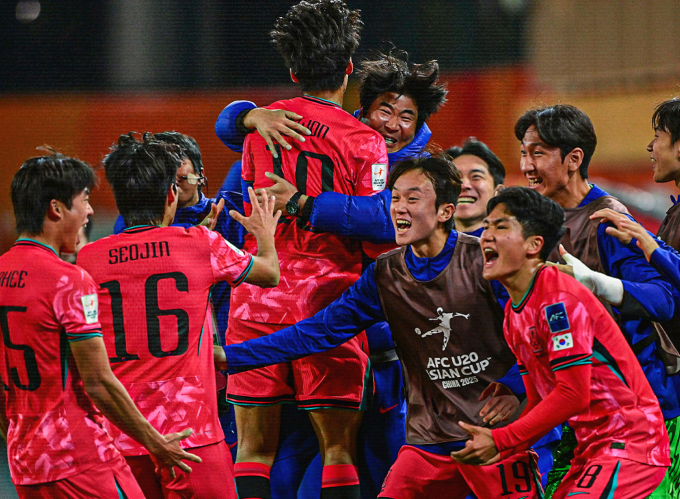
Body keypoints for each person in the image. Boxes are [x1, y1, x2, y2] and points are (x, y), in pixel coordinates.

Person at [215, 155, 542, 499]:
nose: (399, 209)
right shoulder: (384, 274)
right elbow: (319, 331)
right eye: (395, 198)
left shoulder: (485, 262)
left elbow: (535, 333)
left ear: (446, 211)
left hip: (494, 437)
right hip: (427, 444)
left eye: (412, 199)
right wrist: (231, 357)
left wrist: (513, 385)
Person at [216, 50, 448, 499]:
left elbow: (387, 224)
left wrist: (302, 202)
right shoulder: (337, 140)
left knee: (369, 460)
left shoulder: (425, 174)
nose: (395, 124)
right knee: (307, 457)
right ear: (362, 103)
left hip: (378, 342)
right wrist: (246, 117)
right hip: (333, 316)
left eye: (407, 116)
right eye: (386, 110)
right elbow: (232, 174)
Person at [224, 2, 390, 499]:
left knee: (252, 451)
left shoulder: (262, 127)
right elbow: (377, 234)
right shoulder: (365, 141)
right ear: (348, 69)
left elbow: (233, 140)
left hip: (258, 296)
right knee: (337, 451)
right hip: (330, 301)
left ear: (293, 71)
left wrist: (248, 116)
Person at [77, 133, 280, 499]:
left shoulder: (87, 261)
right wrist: (265, 234)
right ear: (171, 194)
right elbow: (269, 274)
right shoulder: (200, 244)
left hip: (120, 437)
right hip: (192, 436)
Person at [1, 153, 200, 499]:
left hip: (26, 464)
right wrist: (157, 444)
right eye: (85, 200)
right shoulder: (68, 280)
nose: (90, 212)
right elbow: (98, 383)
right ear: (56, 209)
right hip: (82, 460)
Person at [452, 186, 670, 498]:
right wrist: (501, 446)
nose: (486, 235)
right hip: (591, 447)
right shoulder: (513, 315)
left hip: (631, 442)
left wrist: (502, 440)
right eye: (486, 226)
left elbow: (573, 394)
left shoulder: (558, 298)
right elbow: (540, 399)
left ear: (534, 245)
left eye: (501, 226)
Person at [515, 103, 679, 496]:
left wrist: (595, 282)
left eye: (537, 152)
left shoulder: (608, 221)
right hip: (578, 411)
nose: (526, 165)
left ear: (574, 159)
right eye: (523, 152)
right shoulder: (535, 224)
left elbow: (665, 300)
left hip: (641, 409)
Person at [445, 138, 505, 237]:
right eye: (455, 178)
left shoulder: (512, 246)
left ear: (498, 191)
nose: (464, 185)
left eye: (476, 176)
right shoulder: (424, 248)